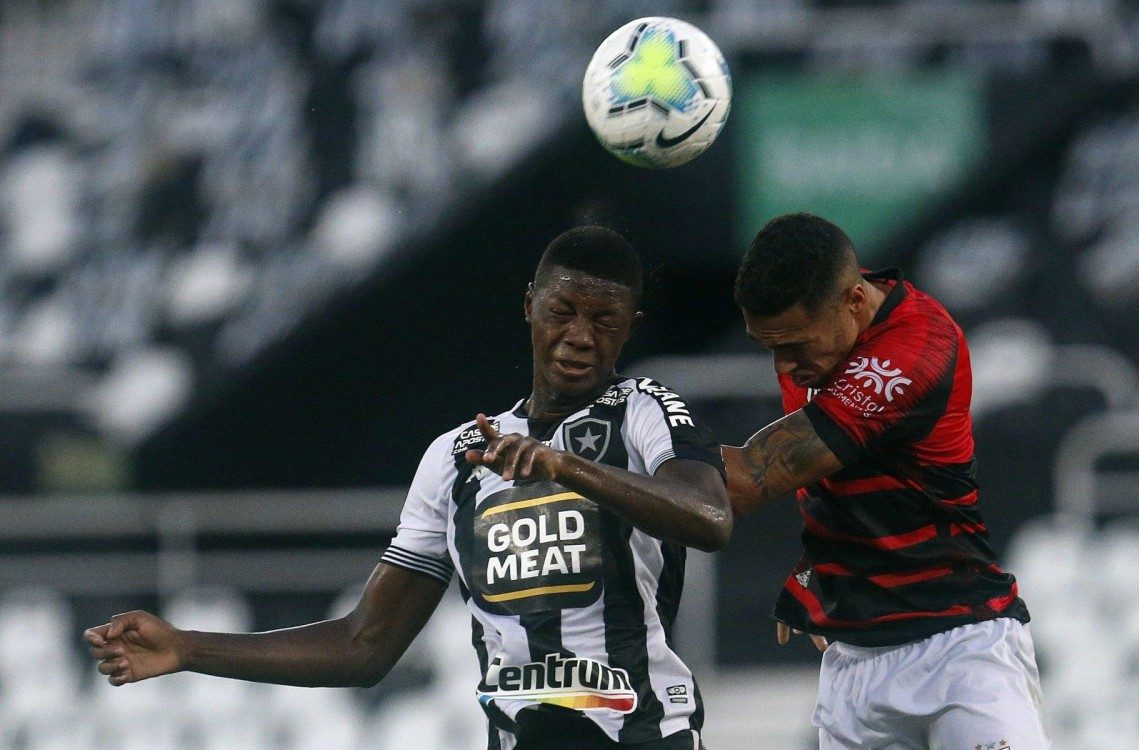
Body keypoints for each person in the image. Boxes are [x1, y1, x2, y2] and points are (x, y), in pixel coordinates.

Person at [84, 226, 731, 750]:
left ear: (633, 325)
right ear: (530, 302)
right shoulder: (454, 458)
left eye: (605, 319)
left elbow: (709, 516)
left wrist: (565, 467)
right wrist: (187, 647)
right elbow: (364, 645)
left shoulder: (644, 409)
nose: (580, 336)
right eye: (563, 311)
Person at [721, 213, 1048, 750]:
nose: (784, 364)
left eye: (796, 345)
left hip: (958, 649)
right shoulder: (816, 325)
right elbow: (843, 474)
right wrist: (824, 566)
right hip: (854, 669)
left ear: (854, 302)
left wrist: (608, 447)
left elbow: (752, 478)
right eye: (770, 347)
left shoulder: (919, 345)